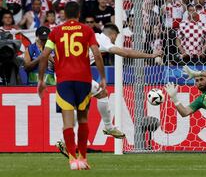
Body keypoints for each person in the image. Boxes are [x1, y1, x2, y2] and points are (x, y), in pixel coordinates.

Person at [55, 23, 163, 158]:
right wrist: (151, 56)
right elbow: (126, 53)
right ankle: (107, 127)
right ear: (112, 34)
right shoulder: (103, 39)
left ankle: (64, 139)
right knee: (98, 96)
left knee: (96, 96)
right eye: (115, 38)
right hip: (75, 75)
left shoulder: (86, 36)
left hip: (62, 74)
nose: (114, 41)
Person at [37, 1, 106, 170]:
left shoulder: (55, 32)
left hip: (64, 81)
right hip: (83, 80)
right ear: (79, 13)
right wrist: (103, 77)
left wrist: (41, 80)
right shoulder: (87, 30)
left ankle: (72, 160)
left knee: (68, 122)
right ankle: (83, 158)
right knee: (83, 119)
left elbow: (45, 55)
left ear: (64, 14)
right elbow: (96, 53)